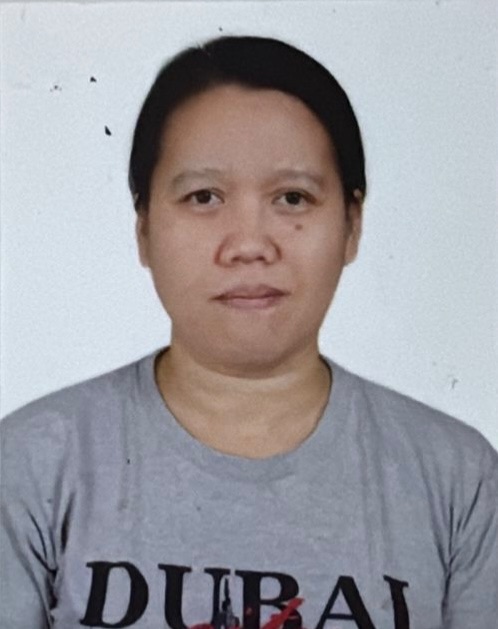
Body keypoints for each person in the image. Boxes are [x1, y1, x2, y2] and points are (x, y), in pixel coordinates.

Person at [0, 35, 497, 629]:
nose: (249, 245)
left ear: (351, 224)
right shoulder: (34, 462)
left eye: (293, 198)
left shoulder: (456, 479)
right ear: (144, 227)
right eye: (203, 196)